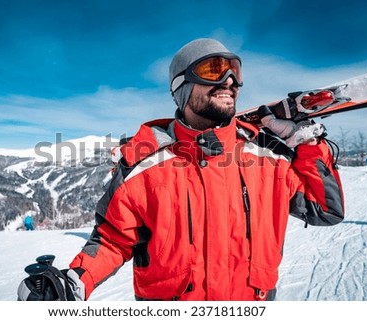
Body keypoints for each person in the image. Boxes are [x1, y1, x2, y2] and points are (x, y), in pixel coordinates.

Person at [19, 38, 344, 301]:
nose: (229, 81)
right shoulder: (144, 163)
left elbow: (325, 210)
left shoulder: (268, 157)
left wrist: (306, 144)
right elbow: (113, 239)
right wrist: (74, 282)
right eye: (214, 69)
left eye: (235, 70)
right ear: (182, 86)